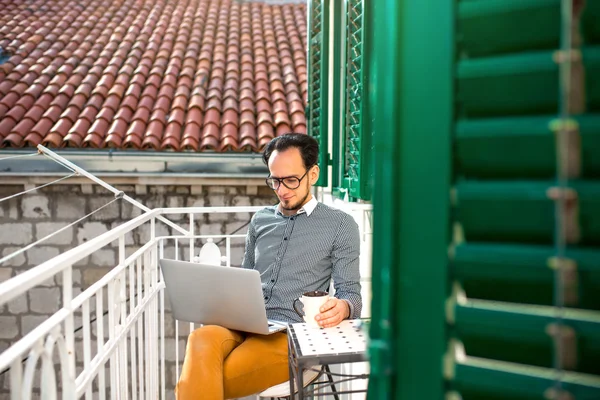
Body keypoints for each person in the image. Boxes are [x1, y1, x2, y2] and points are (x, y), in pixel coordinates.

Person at [175, 133, 362, 399]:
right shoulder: (260, 220)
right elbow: (245, 277)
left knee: (202, 379)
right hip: (242, 323)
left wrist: (343, 307)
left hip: (290, 333)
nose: (282, 190)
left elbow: (352, 295)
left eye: (291, 180)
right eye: (275, 180)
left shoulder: (340, 225)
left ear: (313, 174)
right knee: (200, 339)